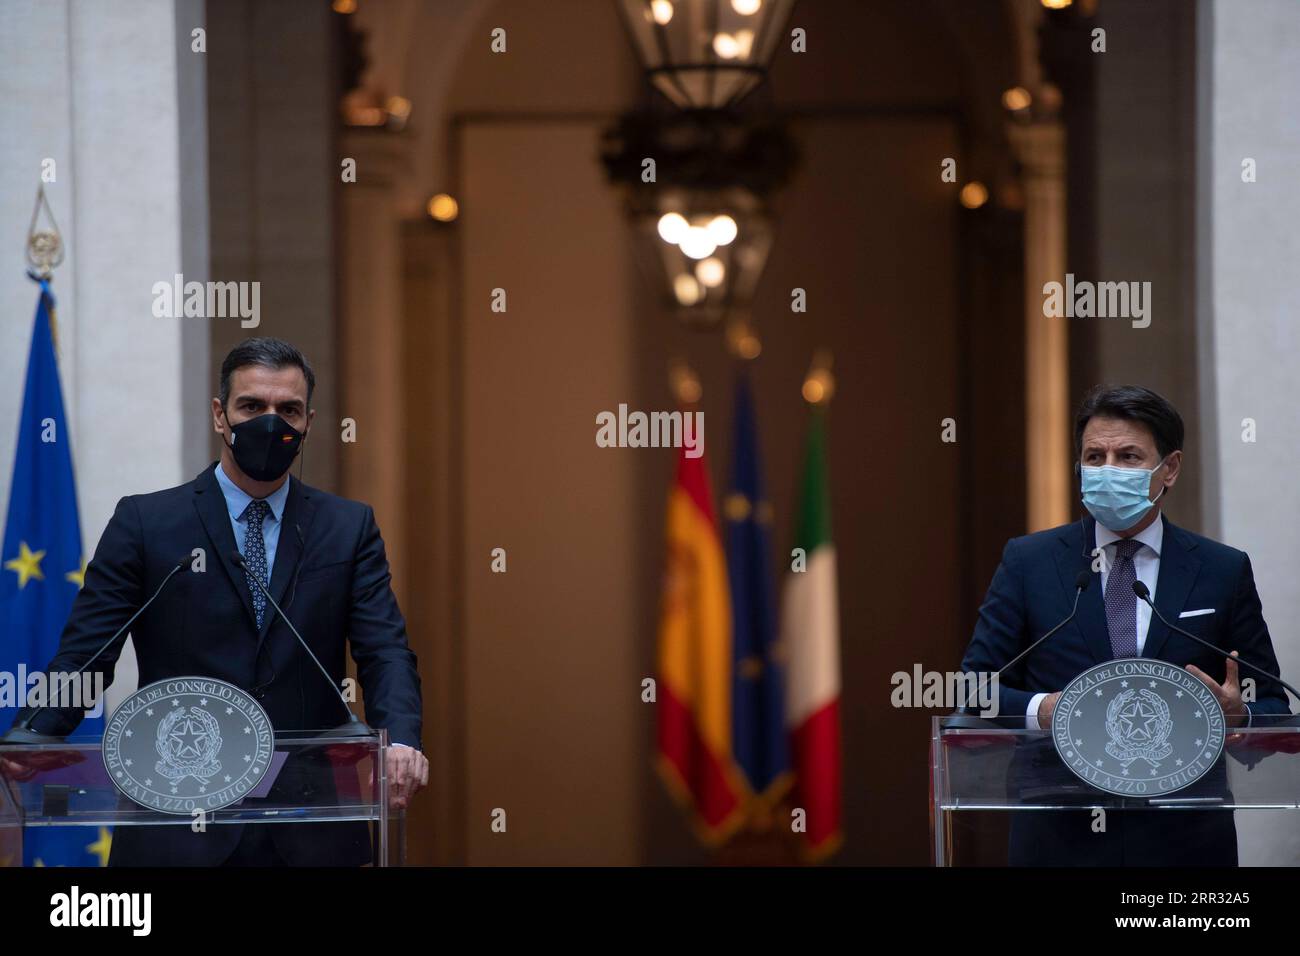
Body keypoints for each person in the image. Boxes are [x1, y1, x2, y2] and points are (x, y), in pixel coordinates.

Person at [3, 337, 427, 865]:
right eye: (252, 406)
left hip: (308, 822)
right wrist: (35, 731)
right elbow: (89, 654)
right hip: (177, 819)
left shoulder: (346, 527)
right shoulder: (146, 524)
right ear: (220, 415)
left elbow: (384, 649)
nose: (271, 423)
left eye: (288, 410)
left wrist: (401, 741)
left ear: (309, 422)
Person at [961, 384, 1290, 865]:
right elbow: (973, 688)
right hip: (1059, 836)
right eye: (1094, 457)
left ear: (1169, 469)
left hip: (1186, 840)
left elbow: (1276, 704)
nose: (1107, 470)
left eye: (1129, 456)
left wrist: (1240, 717)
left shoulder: (1222, 570)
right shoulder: (1028, 562)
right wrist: (1044, 710)